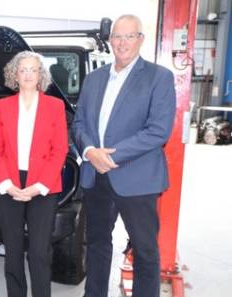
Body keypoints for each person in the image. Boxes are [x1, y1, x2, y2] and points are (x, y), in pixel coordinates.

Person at [71, 14, 176, 297]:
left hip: (137, 178)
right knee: (96, 244)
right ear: (109, 41)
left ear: (141, 39)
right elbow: (78, 123)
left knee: (144, 249)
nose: (122, 42)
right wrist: (91, 151)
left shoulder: (159, 77)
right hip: (96, 176)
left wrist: (111, 156)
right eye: (117, 36)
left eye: (130, 36)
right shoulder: (94, 79)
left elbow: (158, 131)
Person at [0, 51, 68, 297]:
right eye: (23, 70)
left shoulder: (55, 106)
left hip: (43, 186)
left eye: (34, 69)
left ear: (41, 75)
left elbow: (60, 149)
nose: (28, 74)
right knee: (12, 250)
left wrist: (39, 186)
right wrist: (6, 184)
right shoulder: (3, 106)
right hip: (8, 185)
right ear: (15, 75)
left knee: (39, 251)